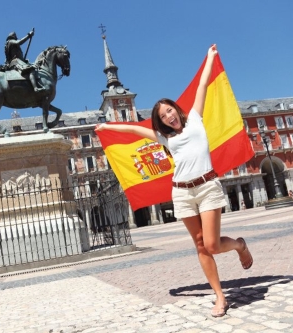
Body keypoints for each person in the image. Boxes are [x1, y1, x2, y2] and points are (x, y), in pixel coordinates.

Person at [95, 44, 253, 318]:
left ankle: (239, 245)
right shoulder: (164, 138)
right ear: (162, 122)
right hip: (181, 192)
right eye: (163, 116)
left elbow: (203, 86)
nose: (168, 116)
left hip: (206, 188)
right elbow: (133, 129)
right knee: (201, 246)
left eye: (169, 111)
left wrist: (210, 58)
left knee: (213, 244)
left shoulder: (194, 120)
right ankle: (219, 296)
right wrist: (107, 126)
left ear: (176, 110)